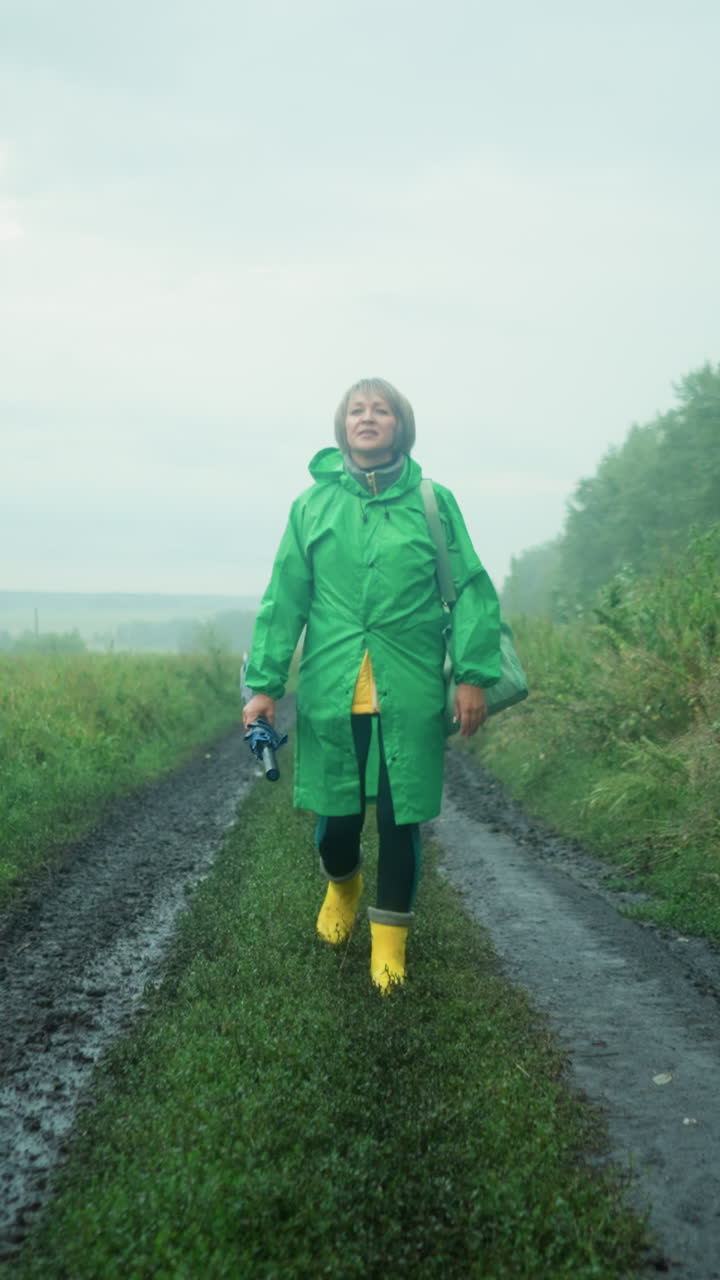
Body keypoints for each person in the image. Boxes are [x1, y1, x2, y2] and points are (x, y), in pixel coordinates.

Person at [242, 378, 501, 992]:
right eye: (357, 410)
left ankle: (389, 947)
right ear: (343, 427)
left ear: (399, 426)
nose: (367, 418)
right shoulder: (312, 506)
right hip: (332, 684)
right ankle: (344, 882)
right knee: (336, 821)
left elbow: (469, 591)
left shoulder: (435, 503)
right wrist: (263, 685)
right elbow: (285, 599)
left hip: (408, 685)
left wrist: (471, 675)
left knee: (398, 816)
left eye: (379, 410)